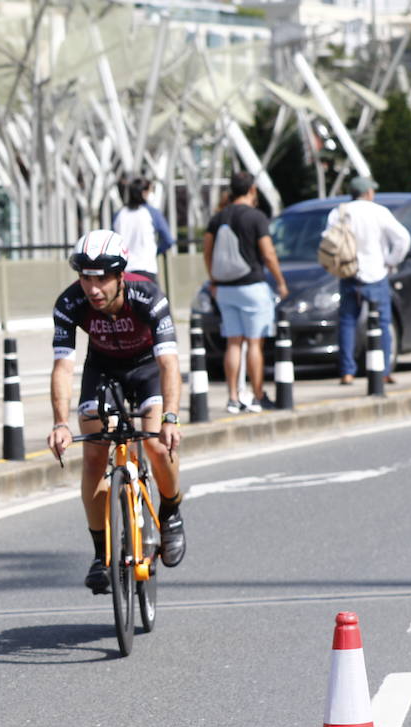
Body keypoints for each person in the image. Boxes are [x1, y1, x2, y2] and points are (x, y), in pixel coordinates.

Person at [47, 230, 186, 594]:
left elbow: (170, 364)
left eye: (102, 278)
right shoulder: (69, 303)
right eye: (85, 277)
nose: (93, 288)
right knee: (93, 455)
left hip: (147, 369)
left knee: (156, 446)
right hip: (103, 369)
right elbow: (63, 367)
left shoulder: (149, 297)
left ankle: (170, 511)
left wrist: (171, 418)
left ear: (121, 275)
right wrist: (60, 423)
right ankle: (100, 554)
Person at [203, 171, 287, 413]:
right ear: (252, 190)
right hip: (252, 286)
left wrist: (214, 280)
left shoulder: (218, 218)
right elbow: (269, 254)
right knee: (254, 344)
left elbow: (207, 252)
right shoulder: (256, 217)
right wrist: (280, 282)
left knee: (233, 343)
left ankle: (232, 397)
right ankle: (258, 394)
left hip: (225, 289)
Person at [327, 175, 409, 385]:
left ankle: (347, 372)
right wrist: (391, 260)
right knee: (382, 323)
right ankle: (383, 370)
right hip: (376, 273)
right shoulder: (378, 212)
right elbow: (403, 238)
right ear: (368, 193)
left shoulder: (339, 212)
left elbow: (328, 240)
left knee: (347, 322)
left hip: (349, 272)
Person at [112, 176, 174, 284]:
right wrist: (155, 251)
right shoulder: (152, 213)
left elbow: (112, 242)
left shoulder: (119, 214)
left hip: (124, 272)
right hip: (146, 269)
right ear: (144, 193)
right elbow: (168, 240)